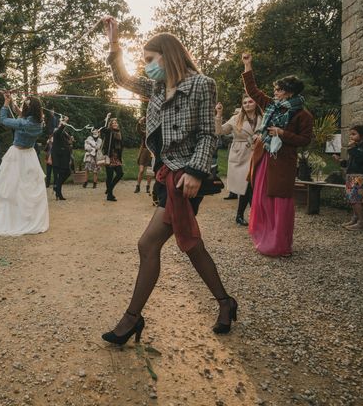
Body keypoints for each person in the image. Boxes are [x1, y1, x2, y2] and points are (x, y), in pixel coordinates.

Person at [100, 17, 237, 346]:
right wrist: (115, 40)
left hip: (188, 179)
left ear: (168, 55)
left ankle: (132, 318)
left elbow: (208, 135)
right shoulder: (157, 87)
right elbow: (121, 78)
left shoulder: (202, 84)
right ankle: (225, 303)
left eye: (150, 60)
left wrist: (195, 171)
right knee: (192, 246)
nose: (146, 67)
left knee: (148, 244)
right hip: (166, 175)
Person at [242, 53, 313, 257]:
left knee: (280, 202)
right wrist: (248, 65)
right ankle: (264, 237)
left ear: (289, 93)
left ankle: (279, 244)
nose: (275, 92)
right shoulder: (271, 106)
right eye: (275, 89)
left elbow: (305, 139)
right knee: (262, 199)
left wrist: (283, 133)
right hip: (265, 158)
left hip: (283, 164)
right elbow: (253, 91)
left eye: (279, 89)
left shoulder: (303, 115)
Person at [0, 93, 48, 236]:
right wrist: (13, 103)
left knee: (11, 188)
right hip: (30, 156)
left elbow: (4, 120)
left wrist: (6, 104)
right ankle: (29, 220)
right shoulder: (39, 123)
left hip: (17, 155)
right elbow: (22, 114)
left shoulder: (23, 123)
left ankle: (13, 221)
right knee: (29, 189)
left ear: (28, 108)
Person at [215, 96, 262, 225]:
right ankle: (251, 216)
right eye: (244, 102)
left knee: (254, 186)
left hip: (257, 153)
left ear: (256, 103)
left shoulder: (262, 118)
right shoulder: (236, 118)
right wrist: (219, 115)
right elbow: (219, 131)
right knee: (246, 186)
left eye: (250, 101)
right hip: (240, 153)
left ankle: (244, 216)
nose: (247, 104)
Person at [334, 125, 363, 230]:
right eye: (350, 134)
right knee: (353, 199)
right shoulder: (356, 146)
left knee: (356, 199)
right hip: (352, 176)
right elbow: (351, 163)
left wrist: (352, 148)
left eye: (354, 134)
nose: (351, 136)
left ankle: (362, 221)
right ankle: (355, 218)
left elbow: (361, 159)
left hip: (360, 176)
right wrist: (341, 161)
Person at [102, 117, 124, 201]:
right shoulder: (109, 132)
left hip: (116, 156)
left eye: (116, 123)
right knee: (109, 176)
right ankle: (110, 195)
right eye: (113, 123)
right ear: (110, 125)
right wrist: (107, 118)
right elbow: (103, 129)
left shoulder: (119, 133)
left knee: (120, 173)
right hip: (109, 156)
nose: (115, 124)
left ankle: (109, 189)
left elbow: (121, 146)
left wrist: (120, 156)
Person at [52, 117, 72, 200]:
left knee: (67, 173)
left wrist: (69, 143)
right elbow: (59, 132)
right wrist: (64, 122)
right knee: (62, 174)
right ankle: (58, 192)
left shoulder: (64, 134)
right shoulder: (56, 132)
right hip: (59, 158)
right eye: (60, 124)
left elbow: (65, 144)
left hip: (64, 158)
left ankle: (57, 187)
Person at [135, 116, 153, 194]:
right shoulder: (144, 133)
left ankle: (148, 187)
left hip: (151, 153)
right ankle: (138, 186)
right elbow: (138, 130)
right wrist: (140, 122)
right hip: (144, 152)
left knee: (149, 172)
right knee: (141, 170)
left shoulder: (154, 134)